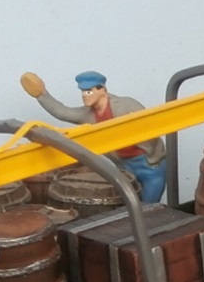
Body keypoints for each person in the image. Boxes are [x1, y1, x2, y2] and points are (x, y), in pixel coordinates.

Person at [20, 69, 167, 203]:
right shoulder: (88, 114)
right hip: (124, 166)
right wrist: (42, 94)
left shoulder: (126, 105)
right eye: (83, 92)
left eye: (89, 92)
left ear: (101, 89)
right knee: (130, 205)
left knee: (149, 206)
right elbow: (63, 112)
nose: (84, 96)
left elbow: (150, 128)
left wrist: (152, 158)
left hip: (149, 165)